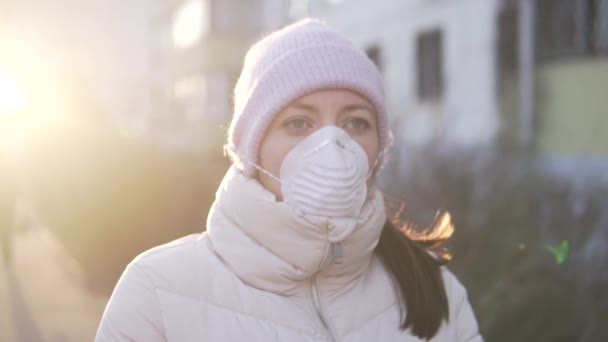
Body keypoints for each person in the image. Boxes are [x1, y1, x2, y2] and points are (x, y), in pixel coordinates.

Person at [96, 19, 482, 342]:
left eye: (356, 122)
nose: (332, 145)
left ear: (379, 150)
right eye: (298, 123)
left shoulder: (432, 288)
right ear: (250, 151)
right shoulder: (157, 292)